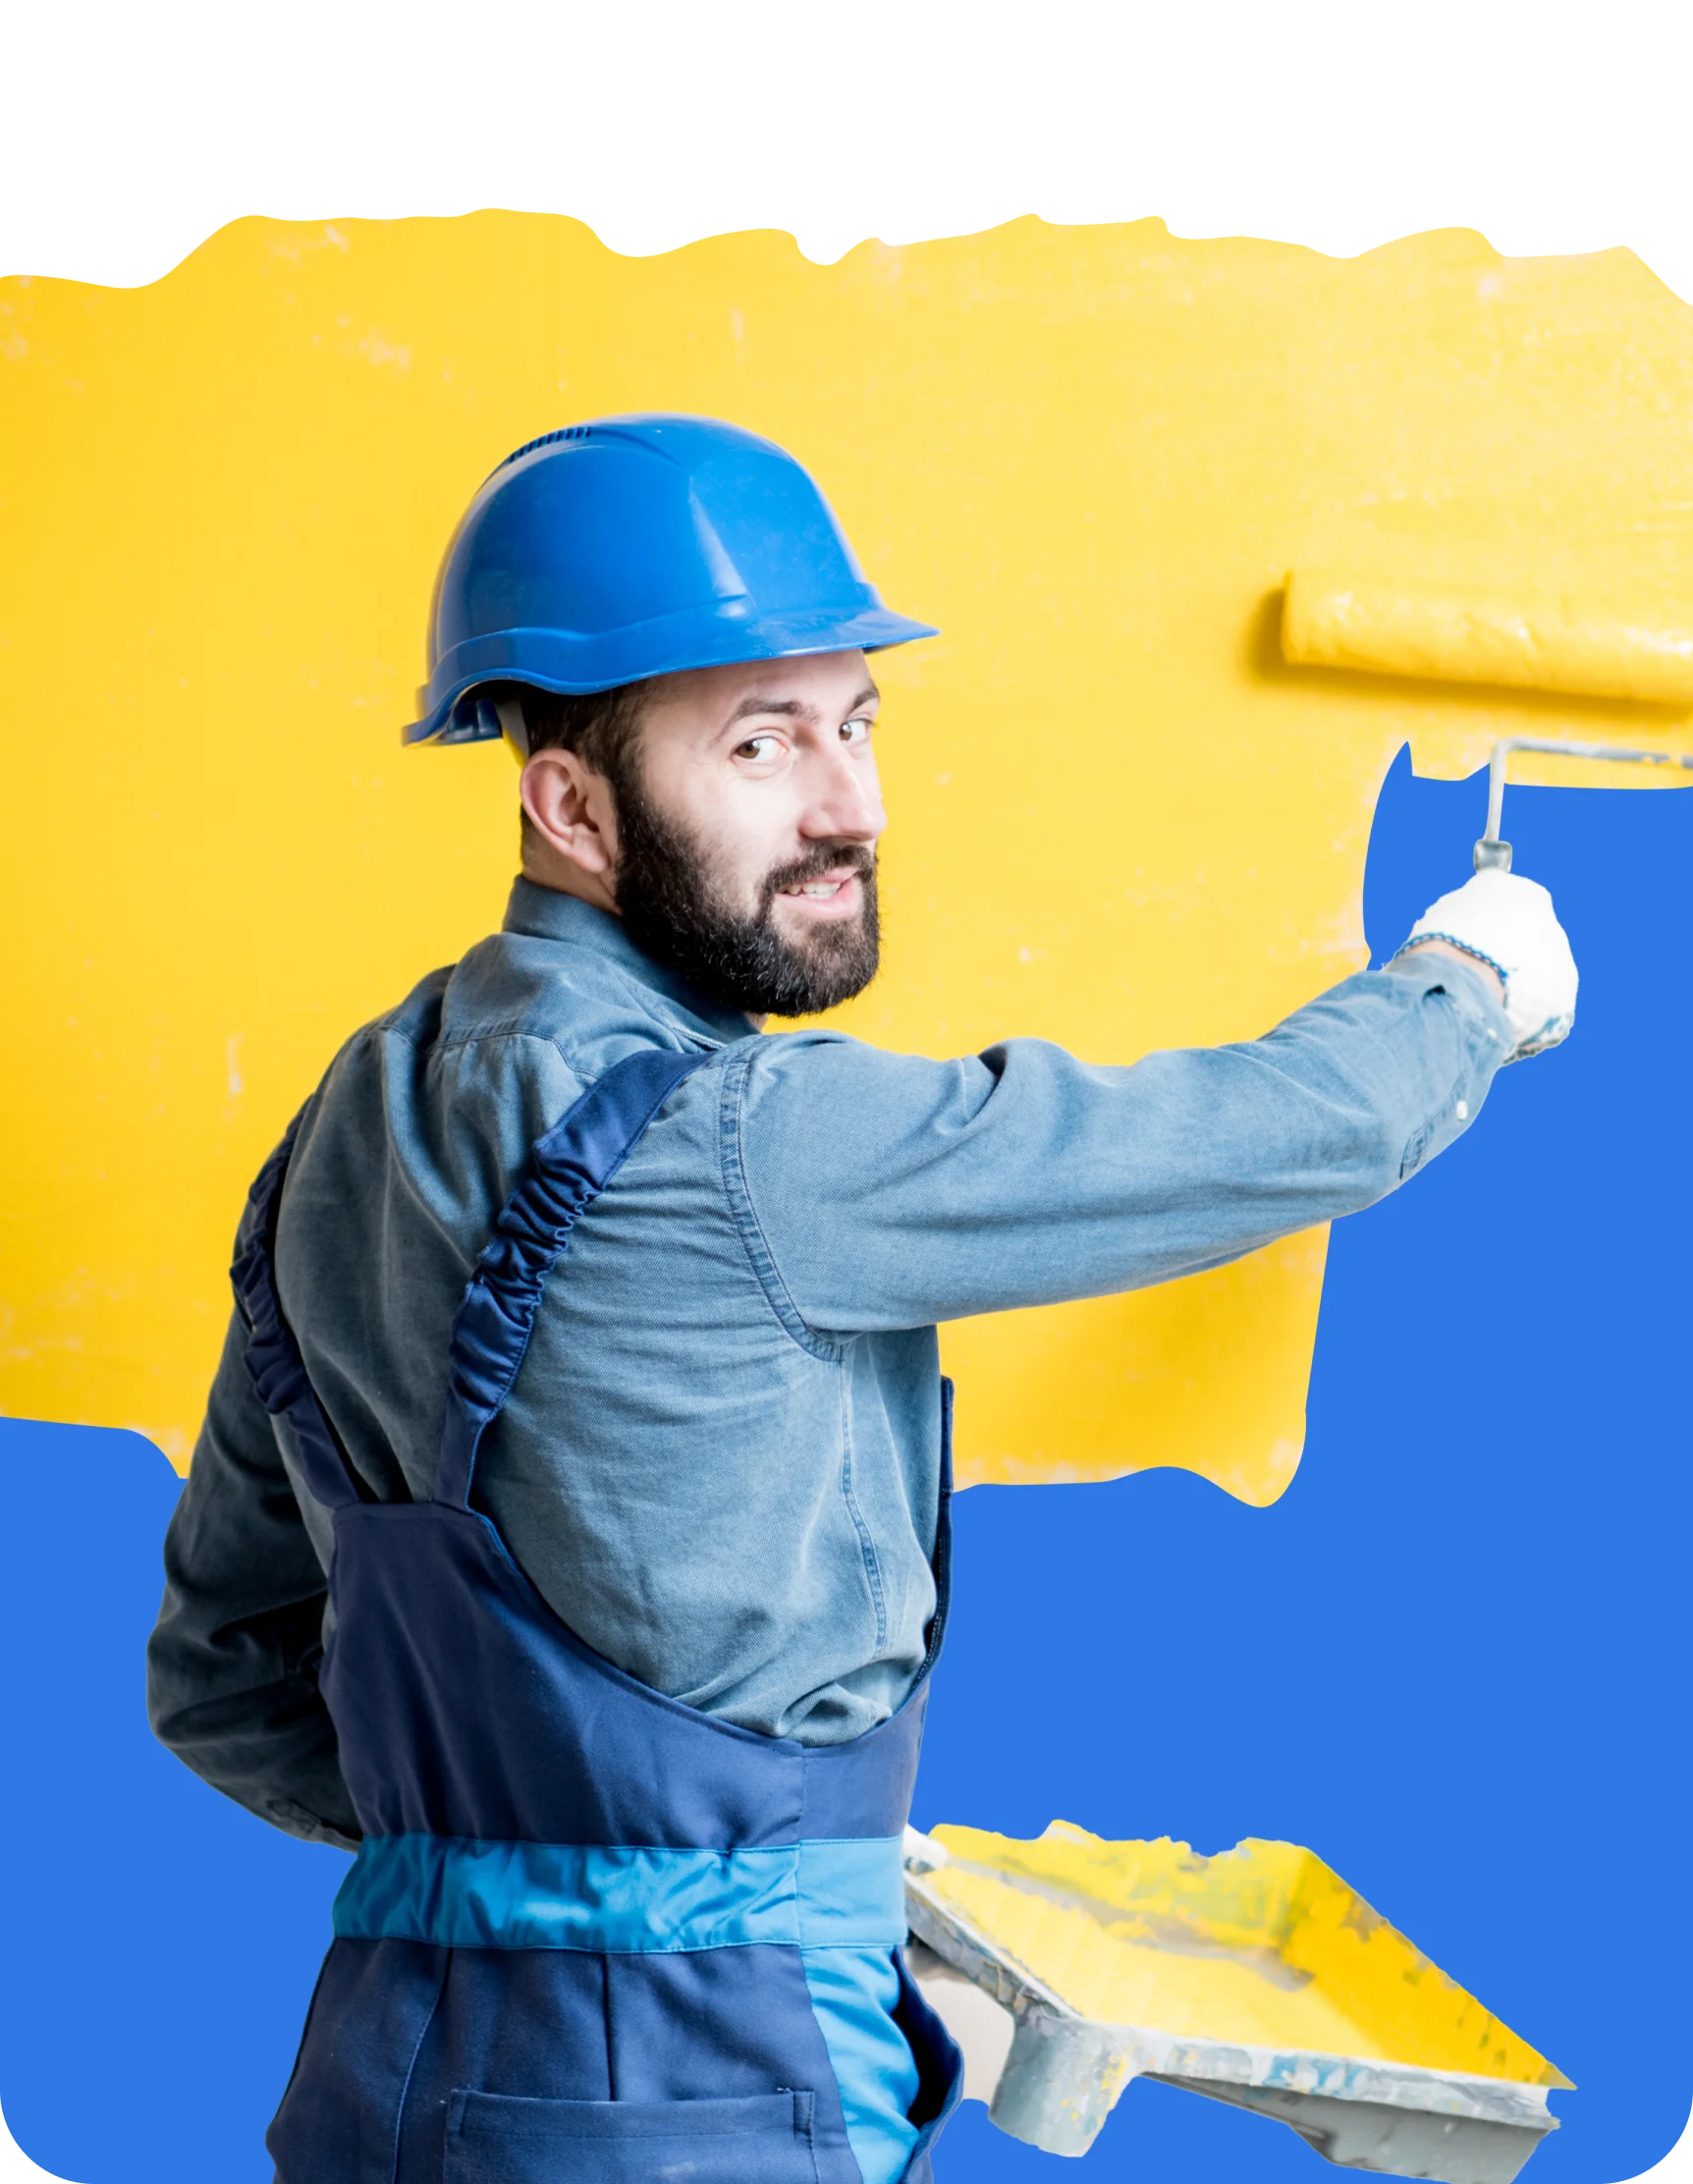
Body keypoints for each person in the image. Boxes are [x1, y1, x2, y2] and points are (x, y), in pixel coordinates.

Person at [146, 414, 1578, 2184]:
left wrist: (540, 1873)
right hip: (700, 2108)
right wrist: (1471, 976)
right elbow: (1274, 1134)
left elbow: (222, 1680)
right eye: (763, 743)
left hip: (380, 2088)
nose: (854, 808)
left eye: (859, 722)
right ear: (570, 803)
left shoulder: (336, 1132)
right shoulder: (757, 1144)